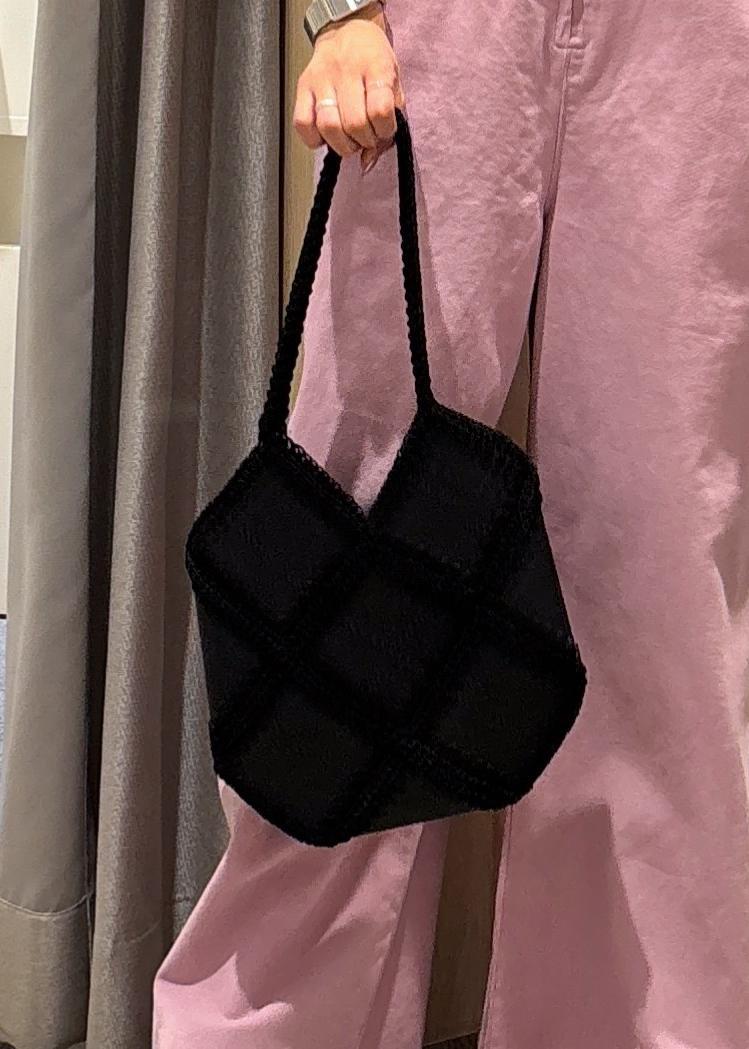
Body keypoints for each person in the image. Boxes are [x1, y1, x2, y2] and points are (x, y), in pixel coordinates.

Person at [153, 2, 749, 1046]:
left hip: (702, 46)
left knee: (659, 594)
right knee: (350, 574)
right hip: (447, 26)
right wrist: (343, 11)